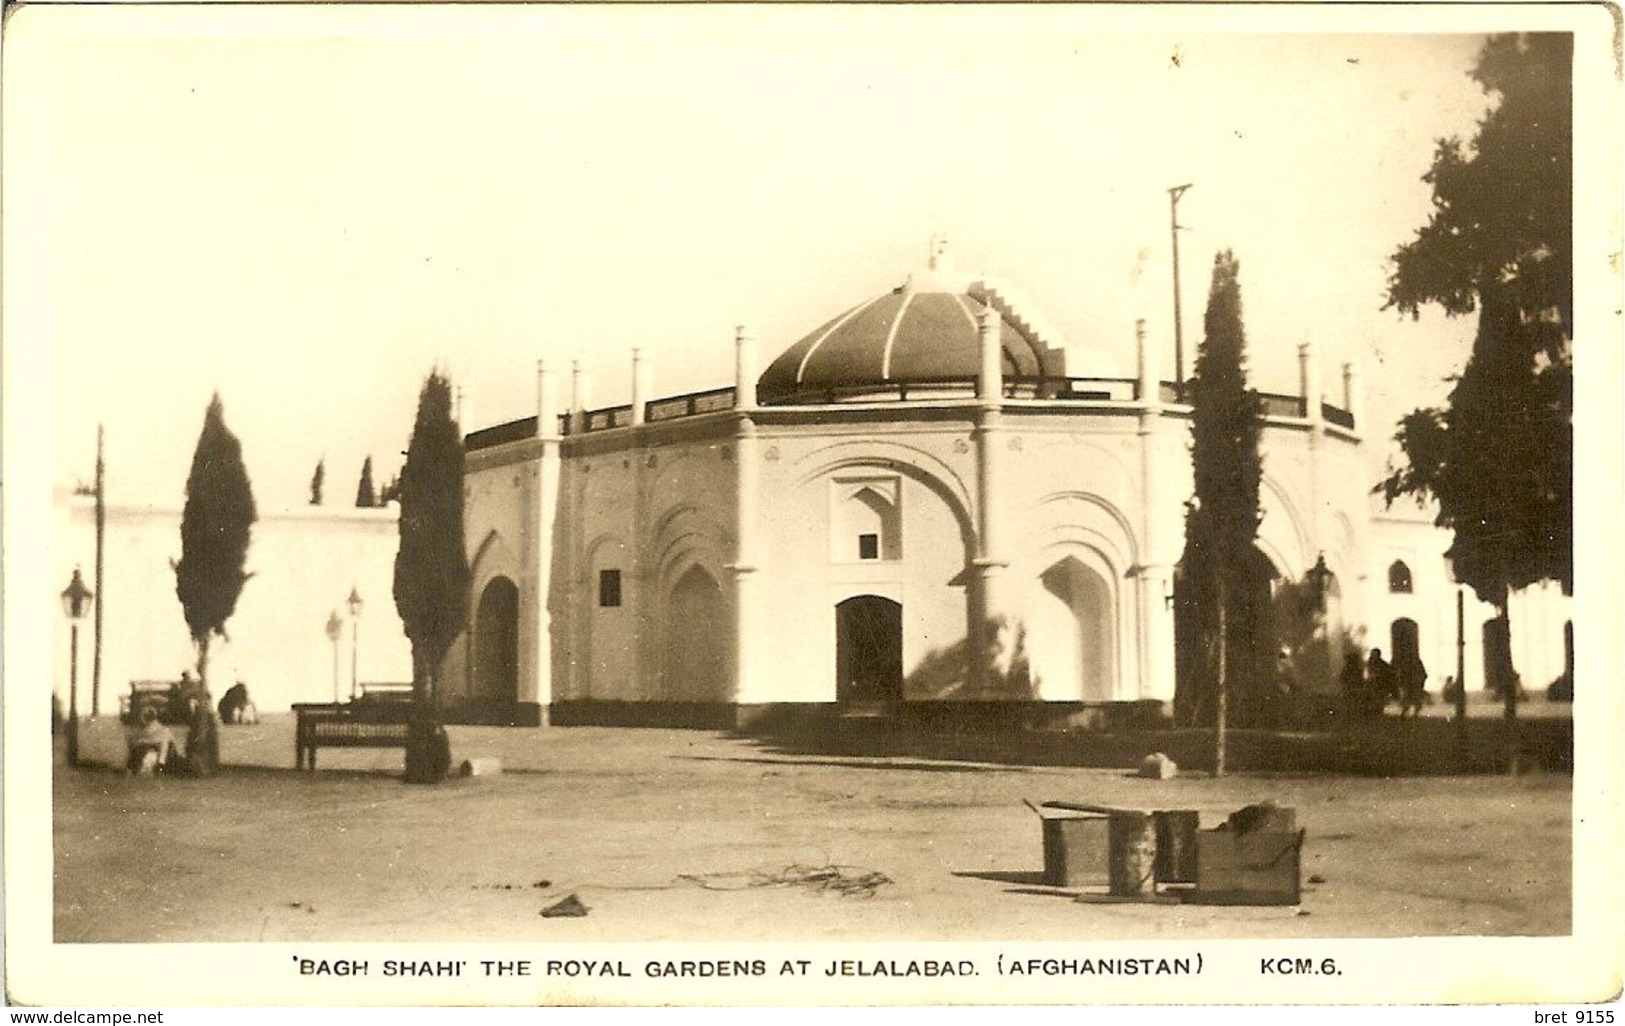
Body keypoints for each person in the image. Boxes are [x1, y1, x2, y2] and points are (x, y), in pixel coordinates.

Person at [125, 704, 176, 775]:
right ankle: (133, 769)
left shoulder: (160, 730)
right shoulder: (142, 730)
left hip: (163, 759)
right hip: (153, 755)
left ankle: (159, 769)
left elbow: (164, 744)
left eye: (142, 716)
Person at [1365, 648, 1397, 719]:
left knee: (1379, 698)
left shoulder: (1382, 664)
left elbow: (1388, 673)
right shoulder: (1370, 662)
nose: (1373, 656)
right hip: (1373, 683)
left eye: (1374, 654)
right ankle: (1375, 711)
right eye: (1372, 654)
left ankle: (1378, 711)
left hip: (1380, 684)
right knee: (1373, 697)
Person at [1339, 651, 1365, 723]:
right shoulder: (1357, 669)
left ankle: (1350, 718)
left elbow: (1342, 678)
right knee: (1354, 704)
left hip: (1350, 689)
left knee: (1350, 704)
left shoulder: (1347, 669)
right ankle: (1354, 718)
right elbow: (1361, 680)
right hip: (1354, 689)